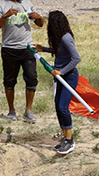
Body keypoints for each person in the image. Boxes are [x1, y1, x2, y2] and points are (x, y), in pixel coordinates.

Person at [0, 0, 44, 123]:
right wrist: (5, 16)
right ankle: (11, 110)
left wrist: (38, 17)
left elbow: (40, 24)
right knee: (9, 81)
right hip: (9, 49)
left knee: (32, 79)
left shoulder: (27, 4)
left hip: (27, 49)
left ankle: (28, 111)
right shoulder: (2, 6)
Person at [33, 11, 82, 156]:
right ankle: (65, 138)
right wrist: (45, 50)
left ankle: (70, 140)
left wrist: (62, 71)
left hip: (69, 76)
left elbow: (76, 58)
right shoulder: (59, 38)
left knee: (63, 107)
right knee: (58, 107)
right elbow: (60, 52)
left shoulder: (66, 38)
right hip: (60, 77)